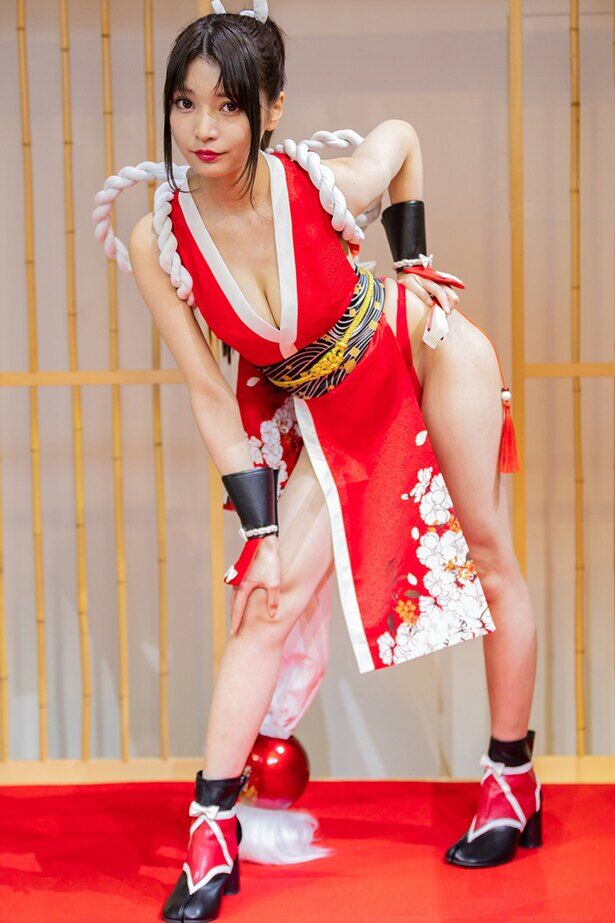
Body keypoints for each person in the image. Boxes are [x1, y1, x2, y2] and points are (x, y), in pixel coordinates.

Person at [92, 3, 541, 920]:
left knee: (487, 556)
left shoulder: (318, 183)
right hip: (330, 414)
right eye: (184, 103)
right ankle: (211, 837)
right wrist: (260, 531)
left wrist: (412, 264)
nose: (203, 128)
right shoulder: (160, 238)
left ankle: (512, 782)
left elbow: (400, 137)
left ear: (272, 108)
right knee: (266, 599)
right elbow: (211, 395)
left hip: (420, 351)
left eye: (228, 105)